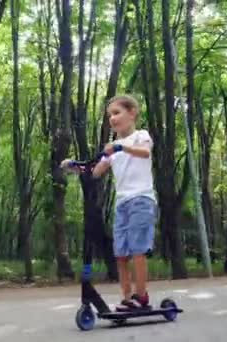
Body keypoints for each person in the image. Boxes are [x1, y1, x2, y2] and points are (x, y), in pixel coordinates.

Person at [61, 94, 157, 311]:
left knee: (137, 250)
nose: (112, 118)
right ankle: (127, 298)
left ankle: (141, 297)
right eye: (109, 115)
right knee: (121, 253)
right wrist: (74, 166)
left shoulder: (140, 136)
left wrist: (121, 148)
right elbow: (94, 171)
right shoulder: (112, 147)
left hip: (141, 199)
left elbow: (144, 153)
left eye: (116, 113)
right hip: (122, 204)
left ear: (132, 113)